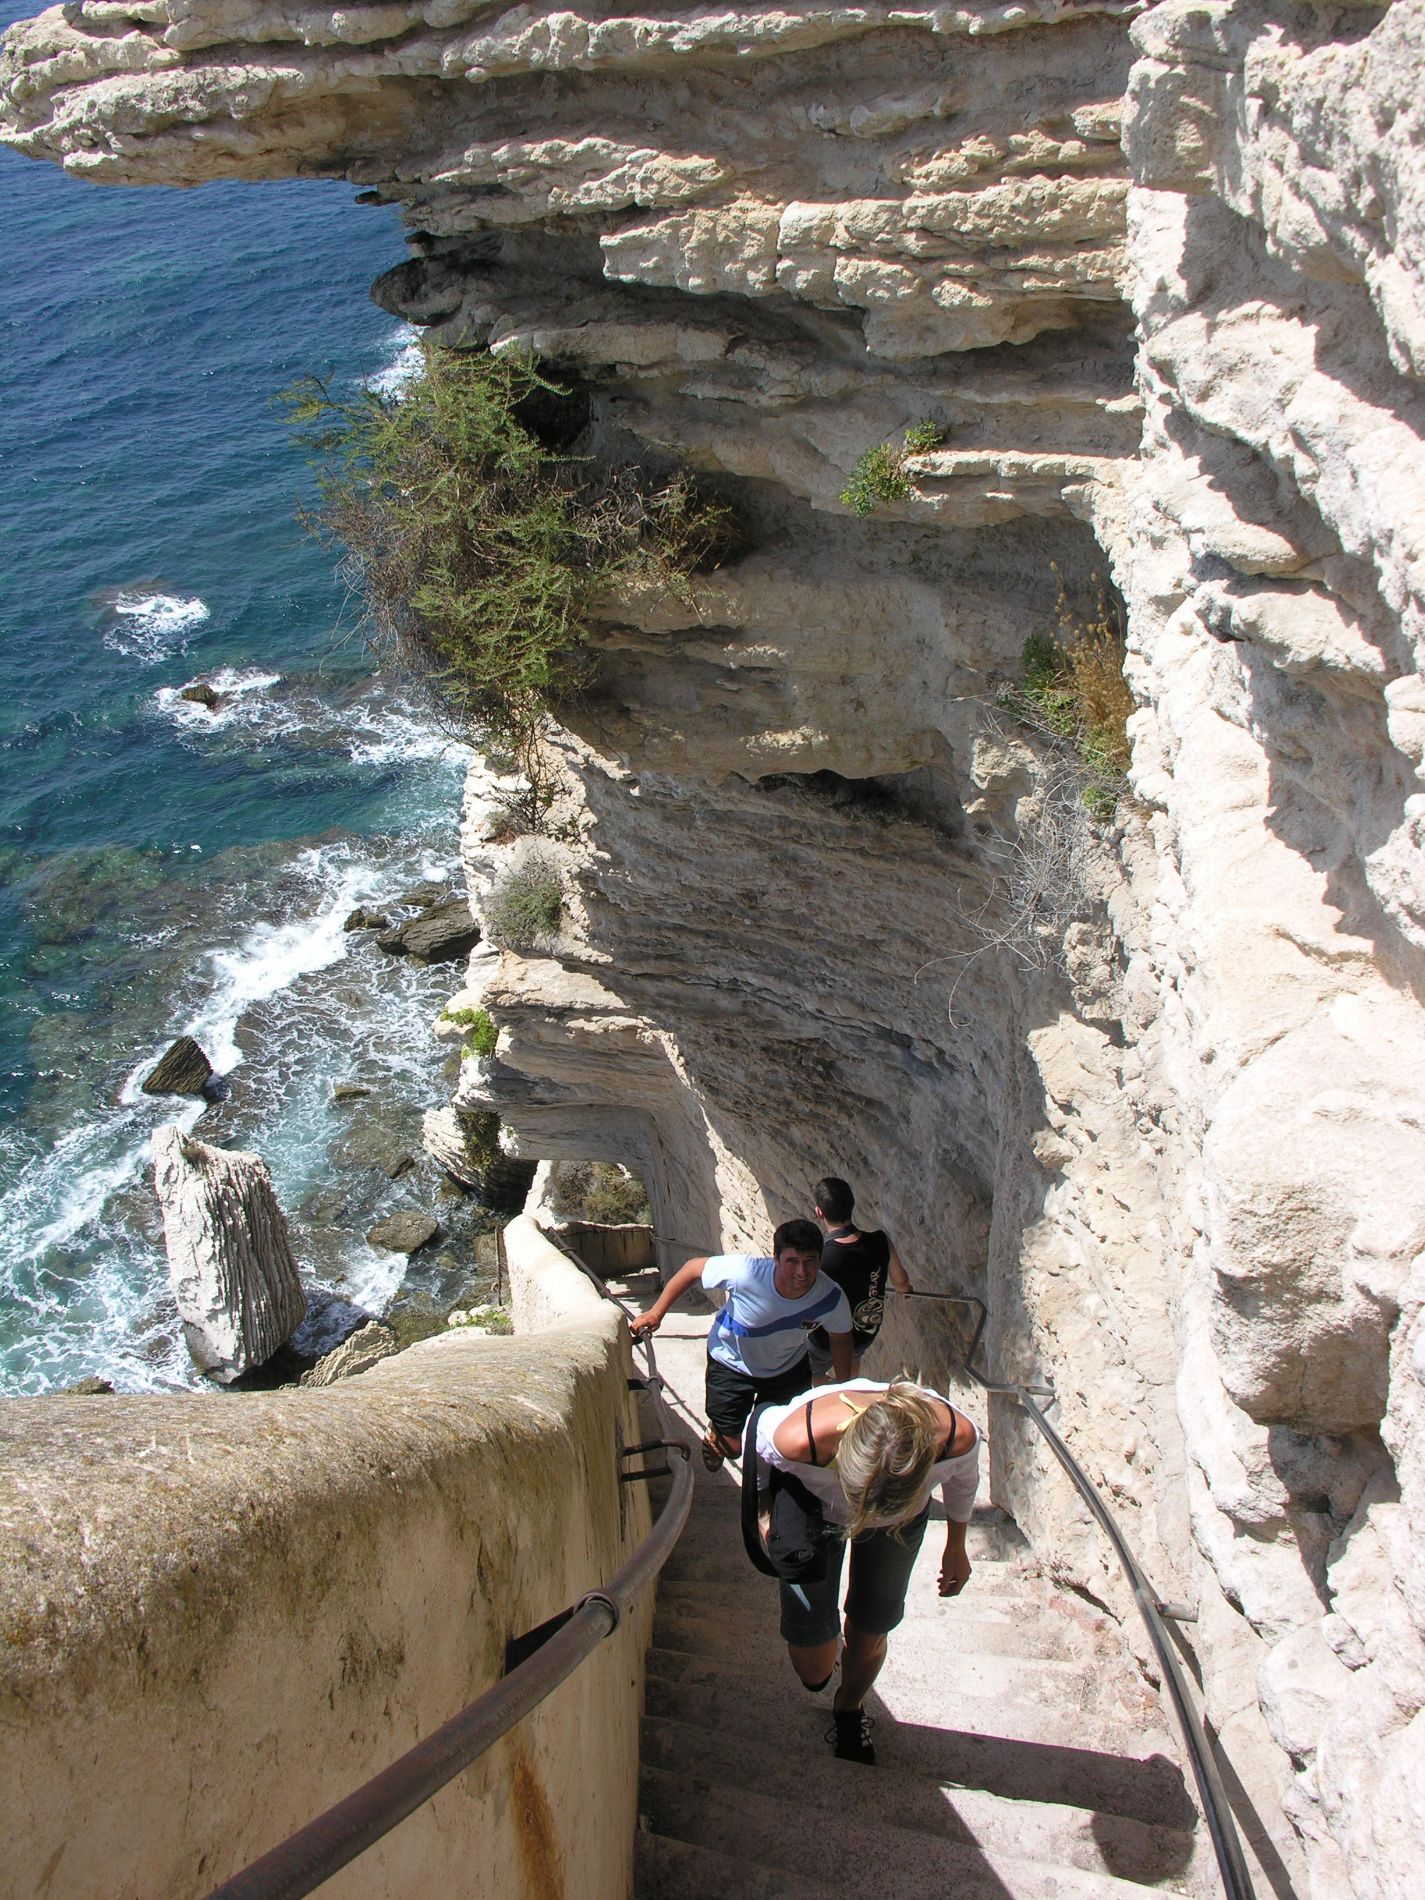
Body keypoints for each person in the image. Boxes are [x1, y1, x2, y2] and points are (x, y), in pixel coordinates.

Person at [754, 1376, 979, 1765]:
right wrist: (763, 1510)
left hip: (901, 1523)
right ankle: (824, 1653)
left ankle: (850, 1706)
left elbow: (964, 1482)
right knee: (812, 1668)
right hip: (816, 1510)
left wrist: (956, 1546)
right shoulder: (799, 1439)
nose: (869, 1515)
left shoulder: (955, 1437)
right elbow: (756, 1438)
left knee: (873, 1625)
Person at [629, 1220, 855, 1469]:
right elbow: (693, 1268)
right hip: (731, 1362)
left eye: (810, 1261)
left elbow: (841, 1338)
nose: (801, 1271)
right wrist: (656, 1314)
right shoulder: (747, 1273)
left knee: (787, 1441)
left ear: (820, 1260)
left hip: (787, 1369)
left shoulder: (831, 1297)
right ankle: (719, 1432)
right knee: (733, 1448)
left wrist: (844, 1389)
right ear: (776, 1259)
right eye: (792, 1261)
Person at [805, 1176, 912, 1381]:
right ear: (852, 1205)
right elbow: (901, 1283)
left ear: (819, 1212)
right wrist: (905, 1290)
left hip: (825, 1340)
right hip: (864, 1333)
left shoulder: (821, 1256)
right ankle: (847, 1392)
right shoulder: (880, 1241)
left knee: (810, 1373)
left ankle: (825, 1393)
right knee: (852, 1359)